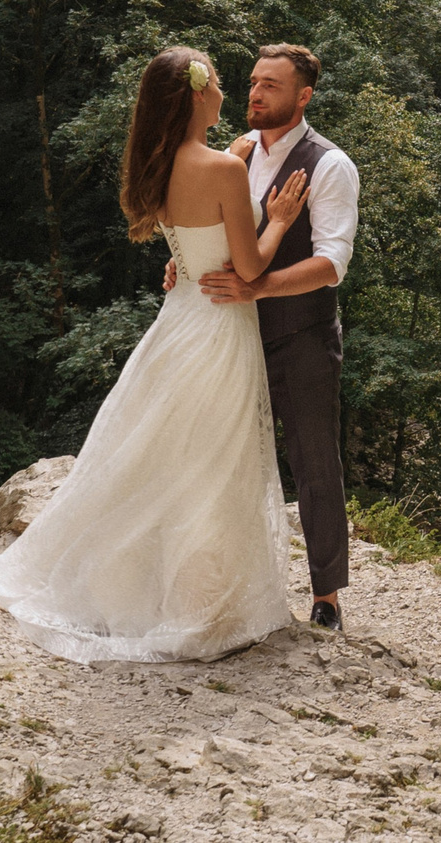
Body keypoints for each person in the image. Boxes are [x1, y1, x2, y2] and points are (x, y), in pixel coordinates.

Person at [0, 48, 310, 662]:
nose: (228, 91)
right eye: (218, 81)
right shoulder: (224, 171)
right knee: (214, 464)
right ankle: (201, 607)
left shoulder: (161, 163)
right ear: (198, 95)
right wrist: (281, 219)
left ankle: (154, 593)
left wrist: (234, 154)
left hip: (177, 320)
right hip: (219, 328)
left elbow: (194, 244)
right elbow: (248, 267)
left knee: (167, 456)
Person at [166, 43, 359, 631]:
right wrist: (184, 263)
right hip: (230, 337)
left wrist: (257, 288)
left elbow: (332, 263)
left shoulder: (331, 165)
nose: (254, 93)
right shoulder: (236, 153)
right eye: (252, 82)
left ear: (304, 96)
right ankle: (226, 586)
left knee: (314, 461)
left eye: (270, 85)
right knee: (224, 461)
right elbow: (213, 229)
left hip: (301, 334)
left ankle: (326, 596)